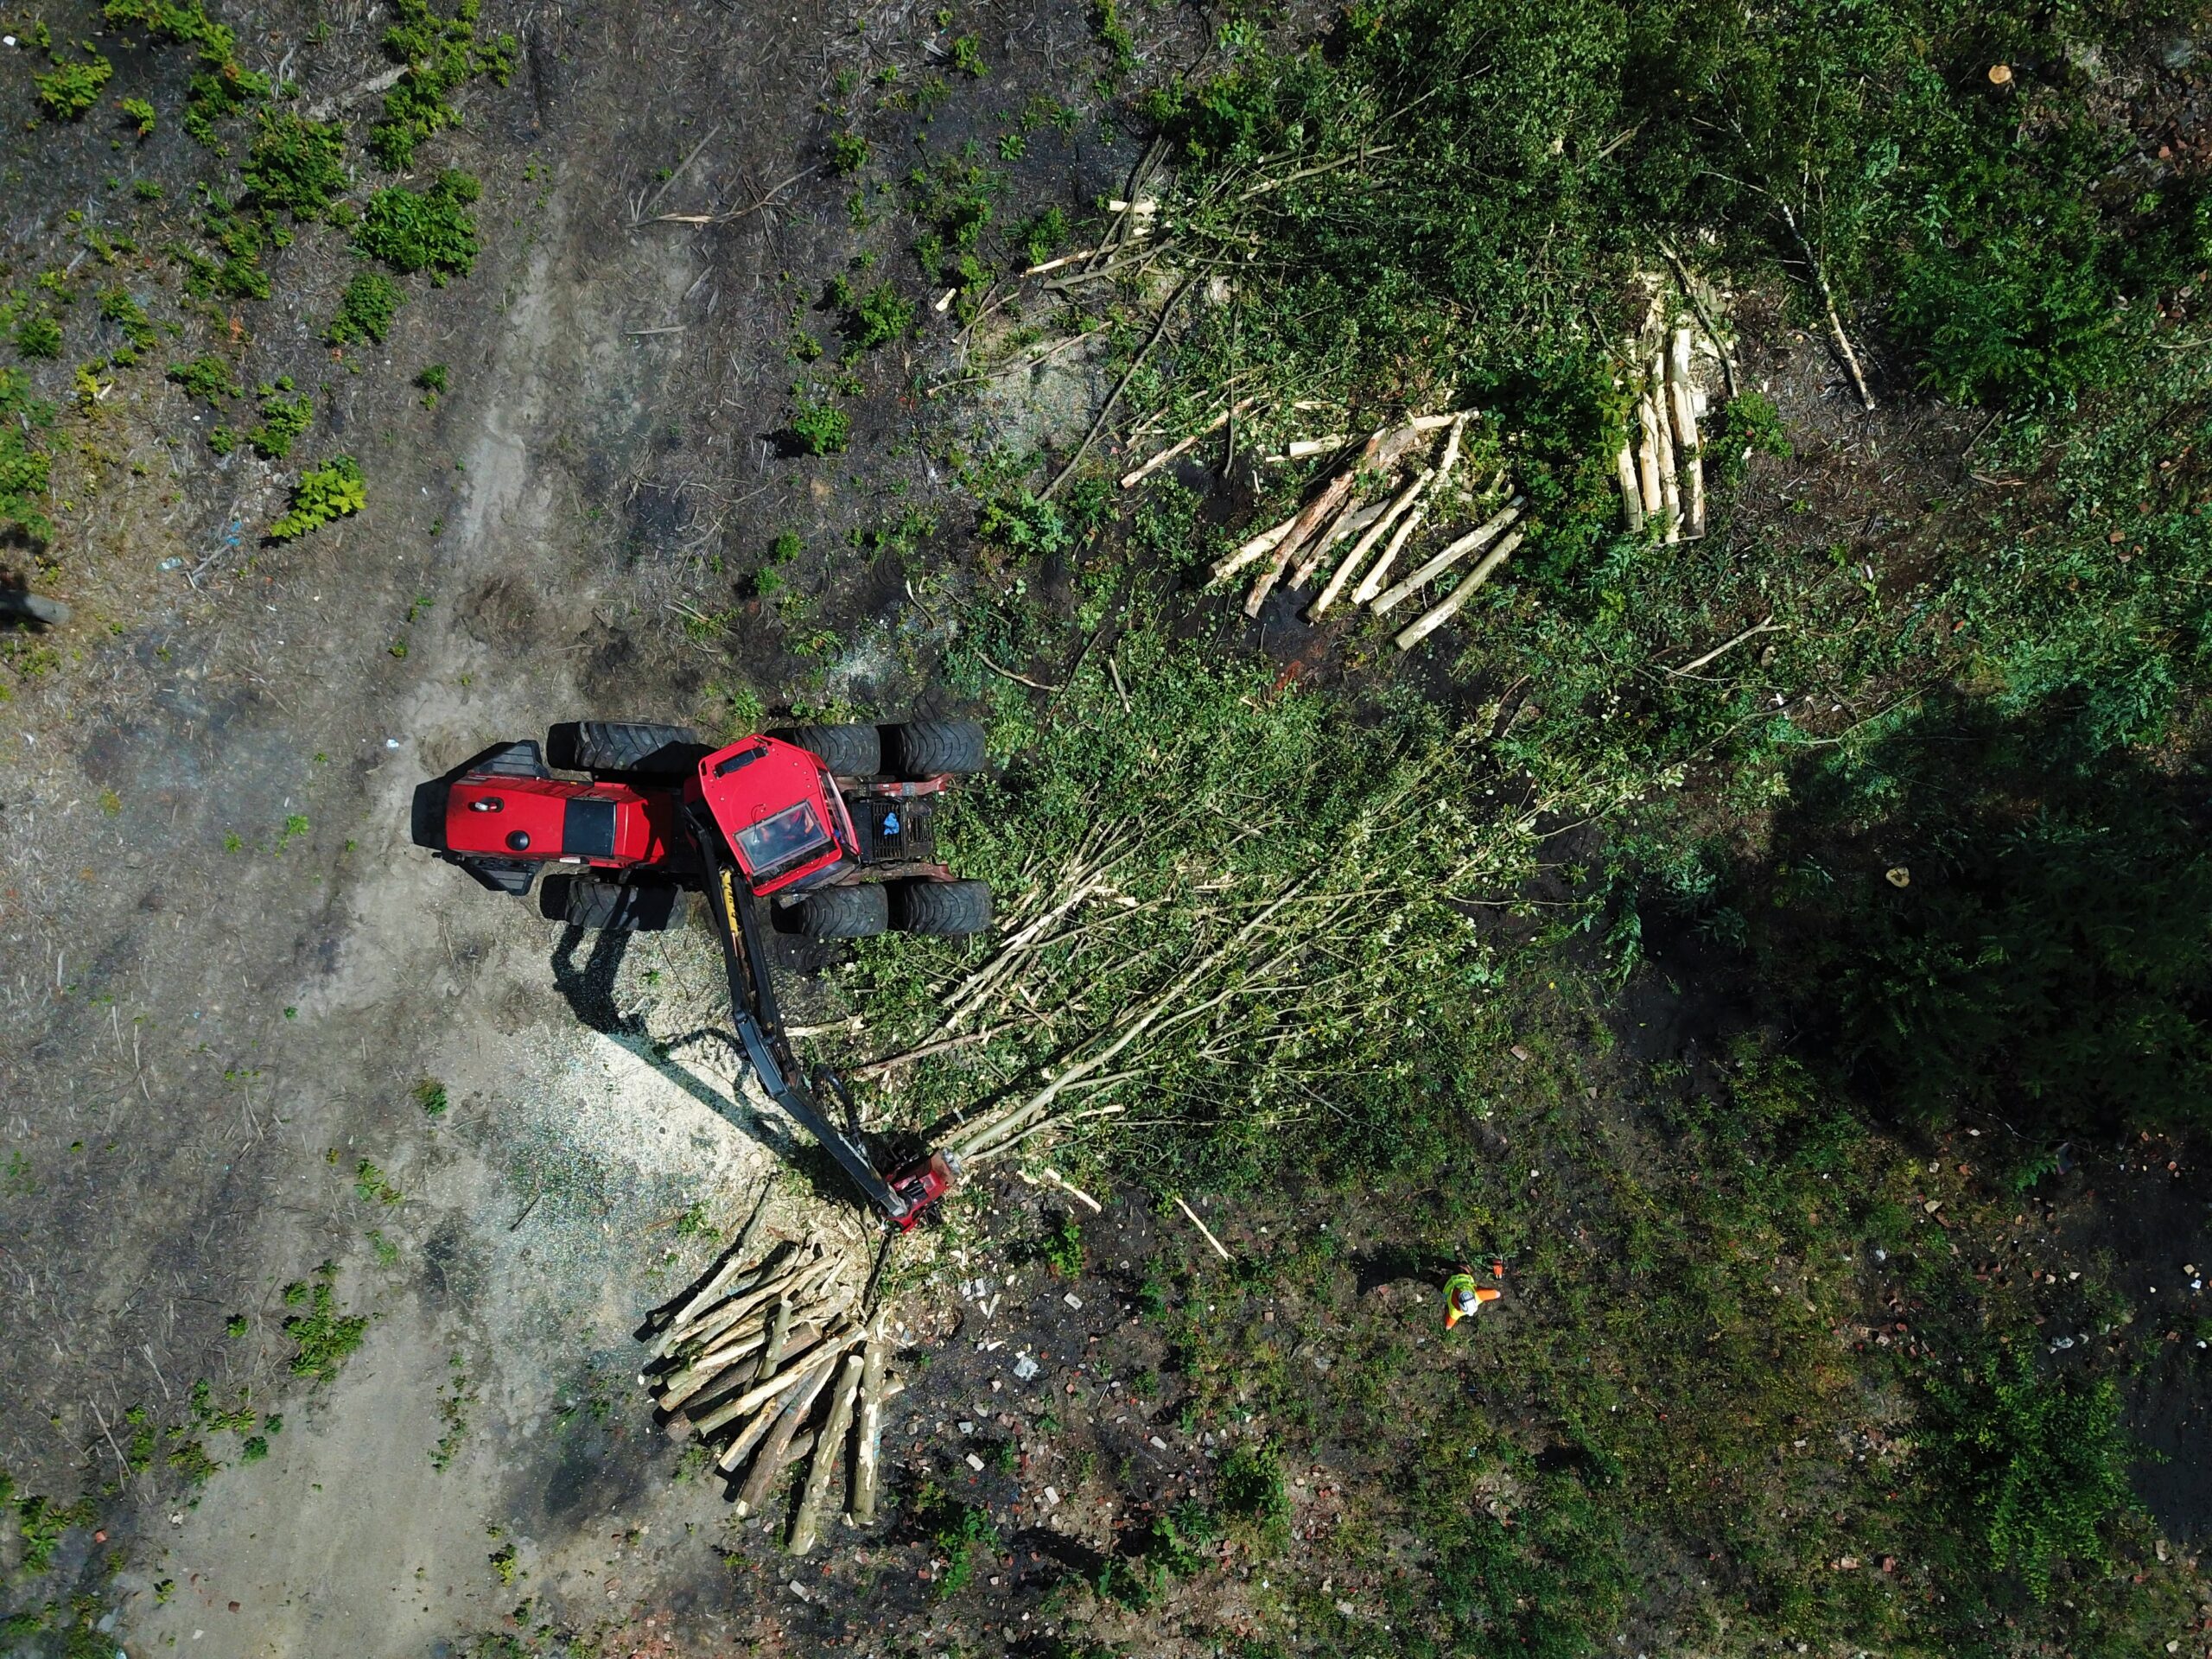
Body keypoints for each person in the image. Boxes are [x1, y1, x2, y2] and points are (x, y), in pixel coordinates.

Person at [1443, 1260, 1503, 1329]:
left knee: (1434, 1278)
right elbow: (1496, 1294)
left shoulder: (1455, 1312)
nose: (1462, 1290)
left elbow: (1448, 1326)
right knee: (1461, 1265)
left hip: (1446, 1286)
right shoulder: (1478, 1295)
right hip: (1463, 1277)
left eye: (1460, 1295)